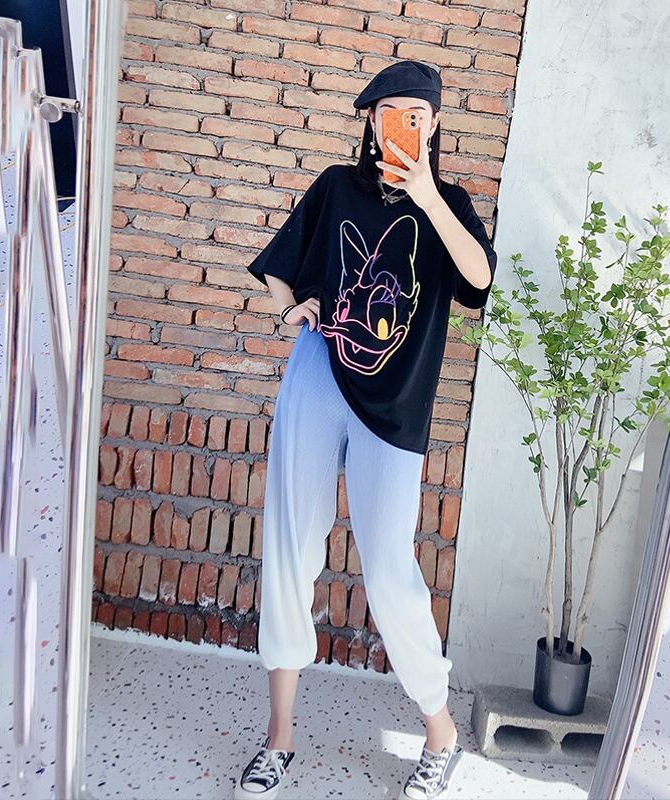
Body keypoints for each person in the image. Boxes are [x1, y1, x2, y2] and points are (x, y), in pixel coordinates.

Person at [234, 60, 498, 800]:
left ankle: (440, 733)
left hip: (397, 403)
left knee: (387, 569)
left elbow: (479, 281)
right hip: (319, 375)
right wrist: (290, 308)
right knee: (291, 547)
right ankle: (278, 738)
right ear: (371, 122)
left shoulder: (449, 204)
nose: (402, 125)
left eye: (417, 114)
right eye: (389, 113)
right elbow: (280, 266)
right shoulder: (335, 187)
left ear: (434, 124)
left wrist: (427, 197)